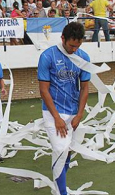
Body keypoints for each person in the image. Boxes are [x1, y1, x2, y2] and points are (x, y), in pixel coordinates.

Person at [38, 22, 90, 195]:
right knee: (60, 150)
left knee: (67, 151)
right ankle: (62, 192)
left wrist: (79, 114)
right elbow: (44, 90)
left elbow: (84, 88)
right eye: (71, 45)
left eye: (78, 45)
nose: (74, 49)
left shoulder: (83, 57)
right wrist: (56, 118)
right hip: (53, 112)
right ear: (63, 39)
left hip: (73, 112)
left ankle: (58, 186)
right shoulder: (48, 56)